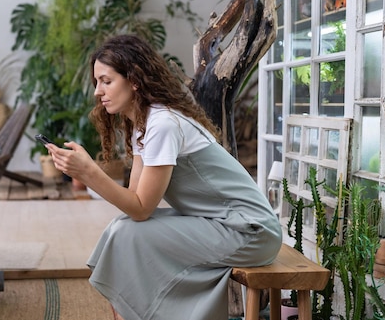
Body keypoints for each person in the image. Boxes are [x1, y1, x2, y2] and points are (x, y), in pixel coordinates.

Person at [45, 34, 282, 320]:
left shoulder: (163, 124)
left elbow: (142, 208)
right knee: (122, 228)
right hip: (224, 225)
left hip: (251, 232)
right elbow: (133, 204)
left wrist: (88, 172)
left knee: (127, 233)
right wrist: (86, 172)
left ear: (133, 80)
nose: (98, 91)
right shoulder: (145, 123)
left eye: (106, 81)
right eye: (97, 82)